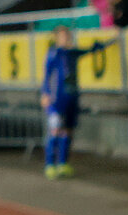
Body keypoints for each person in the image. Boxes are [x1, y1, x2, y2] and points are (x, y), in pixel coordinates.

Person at [40, 25, 116, 179]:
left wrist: (109, 41)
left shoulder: (72, 53)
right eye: (62, 36)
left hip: (72, 97)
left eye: (67, 35)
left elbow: (91, 50)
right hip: (57, 99)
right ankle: (50, 165)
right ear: (57, 38)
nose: (65, 38)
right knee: (55, 129)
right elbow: (46, 75)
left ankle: (62, 163)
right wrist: (45, 93)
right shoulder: (53, 53)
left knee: (68, 130)